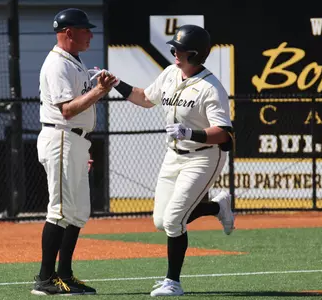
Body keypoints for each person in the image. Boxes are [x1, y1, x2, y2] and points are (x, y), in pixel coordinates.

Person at [108, 24, 235, 297]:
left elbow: (223, 133)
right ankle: (216, 207)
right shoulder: (169, 74)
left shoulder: (211, 88)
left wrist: (191, 132)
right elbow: (144, 98)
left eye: (179, 50)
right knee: (160, 222)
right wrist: (117, 84)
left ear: (195, 54)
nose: (174, 52)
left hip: (203, 158)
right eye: (174, 48)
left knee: (174, 220)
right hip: (174, 155)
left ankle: (173, 282)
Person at [31, 8, 116, 296]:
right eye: (85, 29)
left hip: (75, 141)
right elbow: (67, 110)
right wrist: (98, 91)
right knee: (60, 210)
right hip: (62, 137)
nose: (90, 33)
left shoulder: (73, 61)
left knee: (78, 211)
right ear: (69, 33)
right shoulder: (57, 64)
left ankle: (64, 274)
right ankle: (44, 278)